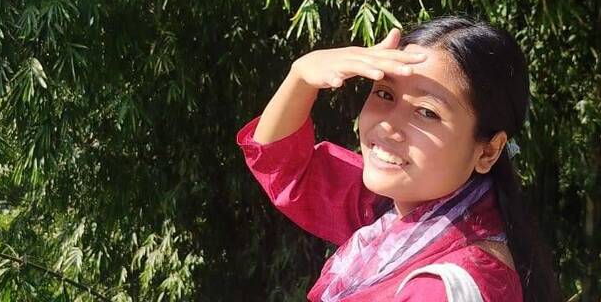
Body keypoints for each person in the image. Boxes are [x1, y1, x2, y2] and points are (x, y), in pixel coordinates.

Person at [237, 15, 561, 301]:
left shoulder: (441, 289)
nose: (388, 125)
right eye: (385, 93)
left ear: (488, 150)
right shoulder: (394, 209)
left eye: (427, 112)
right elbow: (285, 165)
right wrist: (301, 76)